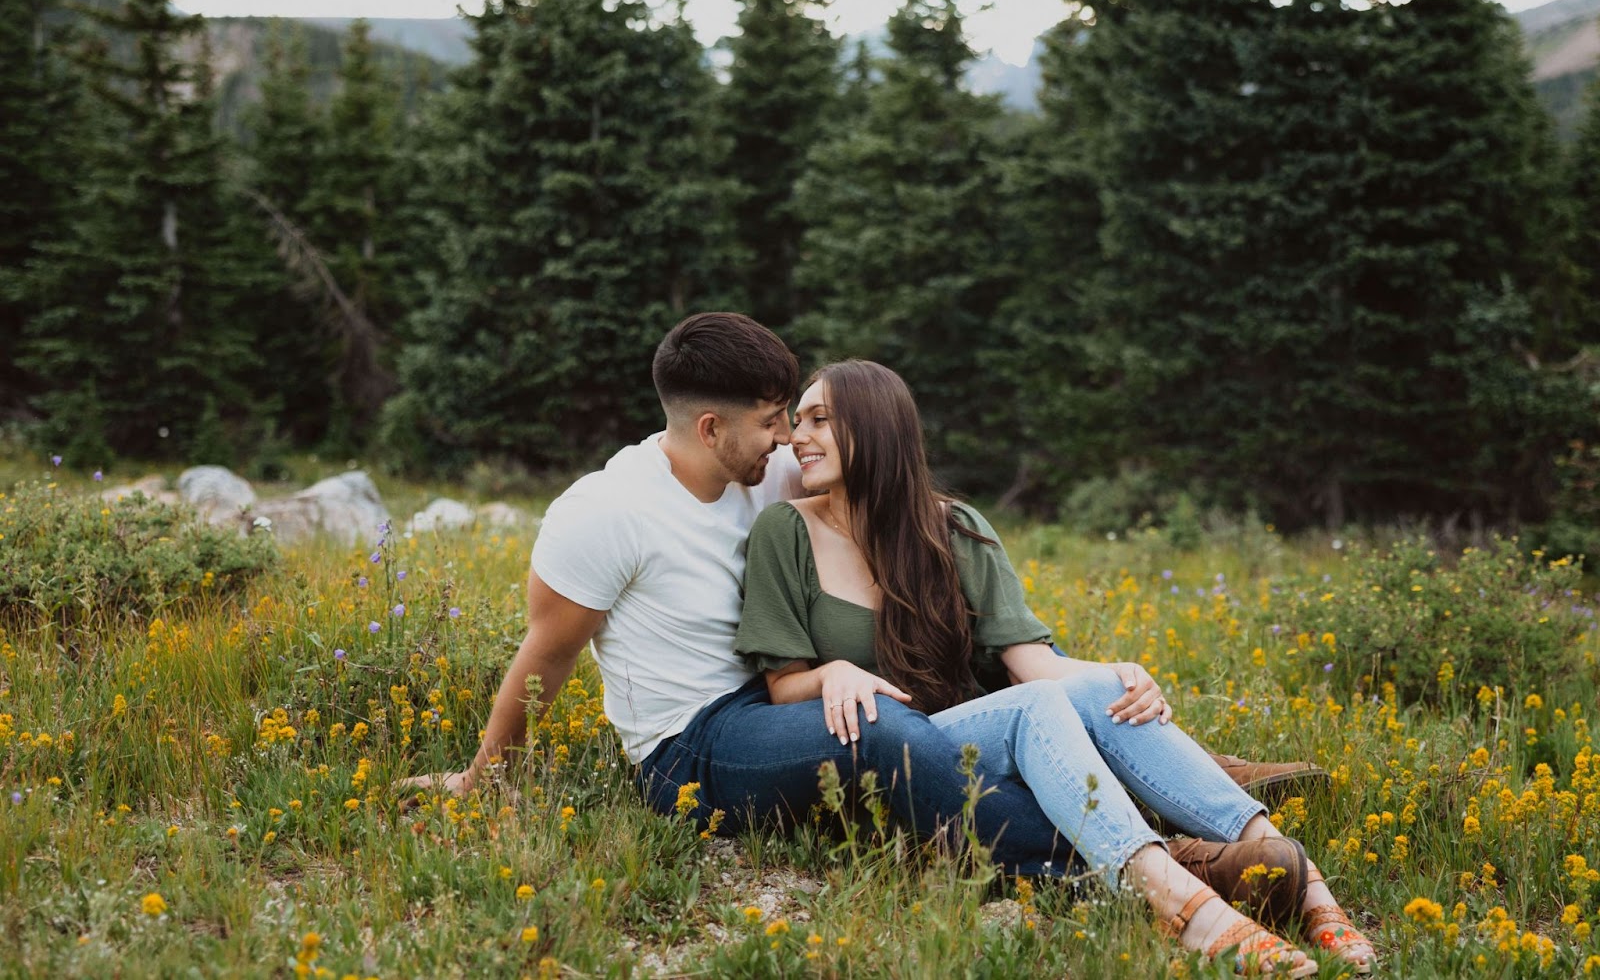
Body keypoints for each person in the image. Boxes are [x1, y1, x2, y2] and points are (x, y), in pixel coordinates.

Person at [398, 314, 1340, 950]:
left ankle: (1189, 782)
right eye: (771, 424)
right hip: (694, 745)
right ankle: (1136, 864)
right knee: (883, 731)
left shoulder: (762, 472)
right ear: (713, 424)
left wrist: (953, 533)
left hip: (793, 701)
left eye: (791, 422)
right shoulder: (606, 511)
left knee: (993, 704)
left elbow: (862, 474)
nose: (785, 441)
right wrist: (485, 780)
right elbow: (544, 657)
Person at [732, 360, 1377, 975]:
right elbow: (784, 687)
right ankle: (1191, 910)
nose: (797, 438)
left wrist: (1121, 676)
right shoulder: (785, 532)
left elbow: (1030, 661)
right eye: (798, 421)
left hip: (973, 734)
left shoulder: (950, 527)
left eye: (819, 420)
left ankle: (1311, 887)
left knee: (1096, 686)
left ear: (873, 429)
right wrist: (834, 671)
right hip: (892, 757)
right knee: (1037, 707)